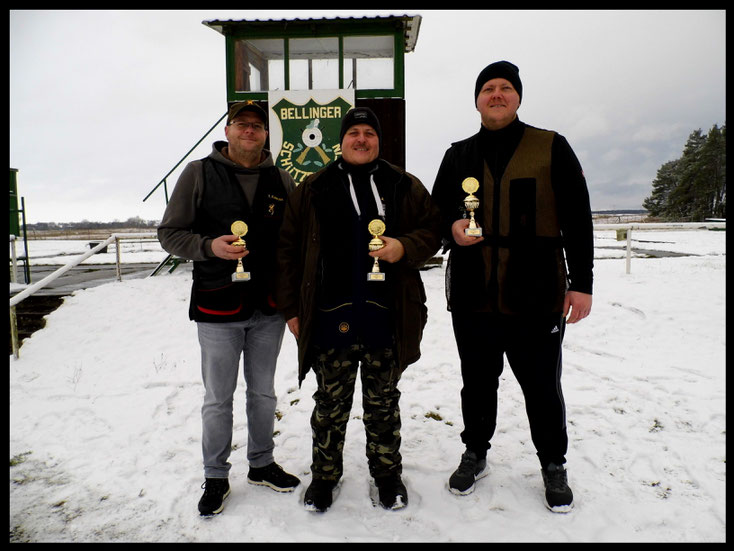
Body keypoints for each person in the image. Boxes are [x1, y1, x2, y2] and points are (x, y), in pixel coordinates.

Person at [431, 61, 594, 513]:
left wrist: (582, 284)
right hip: (473, 293)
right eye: (488, 88)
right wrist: (452, 227)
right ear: (477, 99)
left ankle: (553, 462)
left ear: (518, 97)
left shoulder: (551, 147)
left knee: (542, 386)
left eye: (506, 88)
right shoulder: (457, 154)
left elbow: (578, 219)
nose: (497, 95)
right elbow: (436, 213)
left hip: (536, 292)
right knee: (477, 383)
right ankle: (475, 452)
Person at [276, 107, 441, 512]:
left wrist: (403, 246)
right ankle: (325, 476)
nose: (362, 139)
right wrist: (292, 309)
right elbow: (287, 250)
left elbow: (433, 230)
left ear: (379, 141)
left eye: (370, 132)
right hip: (331, 316)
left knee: (383, 403)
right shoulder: (314, 188)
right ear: (342, 140)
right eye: (355, 133)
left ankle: (387, 474)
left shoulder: (403, 185)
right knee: (329, 406)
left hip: (386, 315)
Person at [158, 101, 300, 516]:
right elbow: (170, 233)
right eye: (243, 124)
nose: (250, 131)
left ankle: (261, 463)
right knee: (218, 398)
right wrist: (208, 247)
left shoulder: (282, 179)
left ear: (267, 134)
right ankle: (216, 476)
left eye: (258, 126)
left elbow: (293, 243)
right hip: (218, 307)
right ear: (229, 129)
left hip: (268, 310)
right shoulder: (198, 173)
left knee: (263, 393)